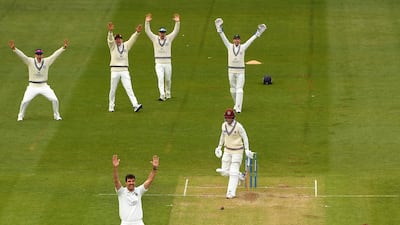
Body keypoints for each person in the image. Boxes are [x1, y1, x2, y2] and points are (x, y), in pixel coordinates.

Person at [214, 18, 266, 113]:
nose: (237, 41)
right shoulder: (229, 46)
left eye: (238, 39)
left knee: (239, 90)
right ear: (233, 40)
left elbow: (250, 41)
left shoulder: (243, 47)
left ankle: (238, 108)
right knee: (232, 90)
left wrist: (257, 33)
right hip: (231, 70)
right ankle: (236, 105)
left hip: (241, 71)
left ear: (240, 40)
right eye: (235, 39)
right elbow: (223, 39)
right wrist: (220, 30)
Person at [9, 39, 68, 121]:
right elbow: (23, 56)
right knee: (25, 101)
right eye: (37, 54)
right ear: (35, 55)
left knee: (54, 99)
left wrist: (63, 48)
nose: (39, 56)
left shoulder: (47, 61)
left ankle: (56, 115)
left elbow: (55, 55)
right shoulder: (30, 61)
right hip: (32, 86)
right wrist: (14, 49)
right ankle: (20, 115)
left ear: (42, 55)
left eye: (40, 54)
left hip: (44, 86)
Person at [214, 108, 255, 199]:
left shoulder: (238, 126)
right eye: (227, 118)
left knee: (233, 171)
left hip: (238, 151)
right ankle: (240, 175)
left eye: (230, 118)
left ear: (233, 118)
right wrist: (219, 147)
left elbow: (245, 137)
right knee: (224, 172)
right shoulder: (224, 125)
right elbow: (222, 136)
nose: (228, 120)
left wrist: (247, 149)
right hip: (227, 150)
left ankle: (230, 193)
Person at [112, 154, 159, 225]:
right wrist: (115, 168)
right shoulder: (121, 192)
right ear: (126, 182)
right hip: (125, 223)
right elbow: (116, 180)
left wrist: (154, 168)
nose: (131, 183)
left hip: (138, 222)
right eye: (129, 181)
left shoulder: (139, 190)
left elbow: (150, 180)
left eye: (133, 181)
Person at [107, 22, 143, 112]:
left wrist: (137, 33)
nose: (118, 40)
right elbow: (110, 40)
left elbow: (132, 39)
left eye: (119, 39)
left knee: (129, 88)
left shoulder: (126, 45)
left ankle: (135, 105)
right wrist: (110, 32)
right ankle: (111, 106)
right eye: (117, 39)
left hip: (124, 70)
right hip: (114, 70)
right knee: (113, 89)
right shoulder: (112, 46)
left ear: (122, 39)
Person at [145, 13, 180, 101]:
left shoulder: (169, 38)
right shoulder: (155, 38)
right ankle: (162, 95)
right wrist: (147, 22)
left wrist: (177, 22)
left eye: (163, 32)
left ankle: (168, 93)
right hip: (158, 63)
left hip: (168, 63)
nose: (162, 34)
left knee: (168, 79)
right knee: (160, 78)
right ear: (159, 33)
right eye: (161, 32)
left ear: (165, 33)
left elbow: (176, 32)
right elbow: (147, 32)